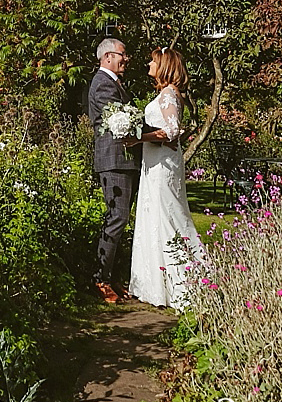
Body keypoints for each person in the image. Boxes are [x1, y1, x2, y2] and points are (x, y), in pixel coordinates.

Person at [86, 37, 169, 304]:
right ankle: (100, 279)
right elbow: (119, 119)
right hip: (114, 161)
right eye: (123, 54)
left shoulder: (115, 83)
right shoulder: (102, 84)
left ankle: (112, 276)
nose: (127, 59)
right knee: (116, 219)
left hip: (125, 160)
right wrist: (157, 134)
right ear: (108, 57)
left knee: (121, 221)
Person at [127, 47, 206, 309]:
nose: (149, 63)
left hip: (162, 164)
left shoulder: (168, 94)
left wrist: (139, 137)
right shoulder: (165, 94)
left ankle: (188, 282)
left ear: (164, 66)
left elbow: (172, 131)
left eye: (153, 60)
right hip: (155, 162)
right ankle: (157, 285)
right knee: (154, 216)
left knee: (167, 215)